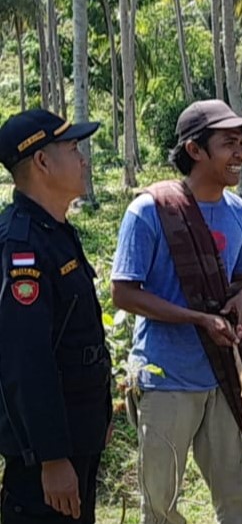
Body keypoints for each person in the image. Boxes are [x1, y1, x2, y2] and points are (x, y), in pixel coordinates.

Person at [111, 99, 242, 523]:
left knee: (238, 496)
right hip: (167, 377)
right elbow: (123, 293)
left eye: (241, 144)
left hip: (221, 375)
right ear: (195, 150)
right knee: (160, 503)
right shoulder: (151, 211)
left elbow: (241, 277)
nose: (239, 154)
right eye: (228, 143)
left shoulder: (238, 212)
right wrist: (197, 319)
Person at [0, 109, 111, 523]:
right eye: (72, 148)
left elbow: (78, 335)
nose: (84, 158)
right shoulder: (22, 246)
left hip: (77, 433)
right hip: (46, 458)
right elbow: (26, 360)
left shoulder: (56, 231)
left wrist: (99, 412)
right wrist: (51, 456)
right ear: (42, 162)